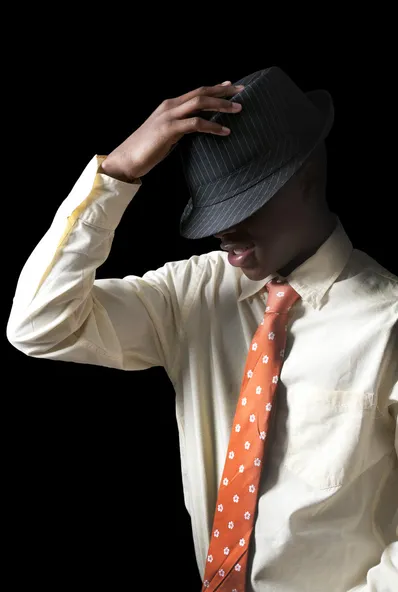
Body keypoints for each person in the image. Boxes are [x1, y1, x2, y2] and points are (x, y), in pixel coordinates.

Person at [6, 67, 397, 591]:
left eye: (245, 201)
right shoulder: (193, 294)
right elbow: (39, 326)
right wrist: (117, 173)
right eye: (214, 209)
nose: (222, 231)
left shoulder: (389, 321)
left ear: (306, 179)